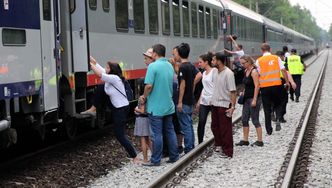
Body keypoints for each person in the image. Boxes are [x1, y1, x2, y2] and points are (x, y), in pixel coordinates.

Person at [89, 56, 141, 164]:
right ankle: (94, 108)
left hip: (121, 109)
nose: (105, 68)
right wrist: (89, 58)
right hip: (118, 108)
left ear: (112, 70)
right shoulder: (111, 76)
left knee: (120, 134)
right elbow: (97, 65)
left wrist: (89, 65)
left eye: (107, 67)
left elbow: (99, 74)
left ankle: (134, 156)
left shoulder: (114, 78)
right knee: (120, 134)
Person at [140, 44, 179, 166]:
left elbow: (149, 86)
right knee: (170, 131)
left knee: (157, 134)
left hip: (156, 107)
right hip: (168, 105)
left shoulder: (152, 66)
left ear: (155, 54)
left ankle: (156, 160)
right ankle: (174, 156)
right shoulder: (169, 65)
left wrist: (144, 97)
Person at [256, 43, 290, 135]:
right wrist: (287, 82)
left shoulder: (259, 60)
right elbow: (283, 70)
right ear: (270, 49)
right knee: (278, 104)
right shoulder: (276, 58)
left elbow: (257, 74)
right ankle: (278, 118)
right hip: (276, 86)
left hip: (265, 88)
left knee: (267, 108)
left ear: (261, 50)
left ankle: (269, 130)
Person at [176, 43, 201, 154]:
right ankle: (191, 145)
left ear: (179, 54)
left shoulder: (182, 67)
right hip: (191, 99)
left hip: (185, 101)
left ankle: (188, 148)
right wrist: (193, 86)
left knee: (185, 125)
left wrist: (180, 101)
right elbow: (199, 75)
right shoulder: (191, 65)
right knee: (189, 124)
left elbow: (182, 84)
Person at [210, 52, 237, 158]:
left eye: (213, 60)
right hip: (215, 103)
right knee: (215, 127)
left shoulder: (228, 73)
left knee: (225, 129)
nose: (212, 62)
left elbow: (233, 91)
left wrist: (232, 107)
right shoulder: (215, 71)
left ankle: (228, 151)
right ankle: (220, 145)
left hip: (224, 104)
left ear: (219, 61)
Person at [235, 55, 263, 147]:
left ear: (248, 62)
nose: (242, 65)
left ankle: (260, 141)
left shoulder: (254, 71)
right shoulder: (246, 71)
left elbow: (257, 86)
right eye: (241, 63)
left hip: (253, 98)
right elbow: (247, 85)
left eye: (243, 63)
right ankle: (245, 140)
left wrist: (254, 99)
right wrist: (243, 91)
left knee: (255, 120)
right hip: (246, 98)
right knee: (244, 119)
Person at [196, 52, 215, 144]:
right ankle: (200, 142)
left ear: (206, 62)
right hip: (204, 101)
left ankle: (218, 141)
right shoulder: (203, 73)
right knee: (201, 122)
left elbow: (216, 87)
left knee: (215, 123)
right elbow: (204, 88)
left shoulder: (214, 72)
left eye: (200, 62)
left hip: (213, 101)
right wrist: (199, 100)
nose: (199, 64)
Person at [273, 51, 297, 123]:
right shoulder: (283, 63)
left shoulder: (270, 64)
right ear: (282, 56)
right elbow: (287, 73)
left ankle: (275, 114)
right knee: (283, 100)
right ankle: (280, 117)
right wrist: (291, 82)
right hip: (282, 83)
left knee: (274, 100)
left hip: (272, 83)